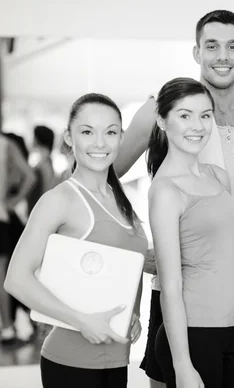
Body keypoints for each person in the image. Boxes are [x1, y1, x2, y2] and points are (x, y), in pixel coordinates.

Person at [114, 10, 234, 388]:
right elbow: (104, 178)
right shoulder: (162, 108)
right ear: (196, 52)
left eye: (232, 46)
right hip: (178, 294)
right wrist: (132, 244)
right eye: (212, 46)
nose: (222, 55)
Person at [4, 93, 147, 387]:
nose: (99, 143)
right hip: (70, 364)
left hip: (117, 357)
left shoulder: (120, 200)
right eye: (87, 132)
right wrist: (82, 321)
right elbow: (16, 278)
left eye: (110, 132)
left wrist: (131, 315)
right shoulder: (59, 200)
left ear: (121, 137)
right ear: (69, 137)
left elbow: (120, 268)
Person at [148, 77, 234, 388]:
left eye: (205, 115)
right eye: (185, 115)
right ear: (162, 120)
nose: (197, 126)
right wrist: (181, 364)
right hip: (193, 335)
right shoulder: (166, 191)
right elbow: (170, 284)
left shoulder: (217, 176)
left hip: (232, 330)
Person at [0, 132, 35, 344]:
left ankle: (7, 327)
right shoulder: (6, 143)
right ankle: (7, 327)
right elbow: (29, 176)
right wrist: (11, 201)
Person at [28, 125, 57, 214]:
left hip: (39, 210)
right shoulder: (43, 160)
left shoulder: (45, 162)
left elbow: (47, 188)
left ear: (38, 139)